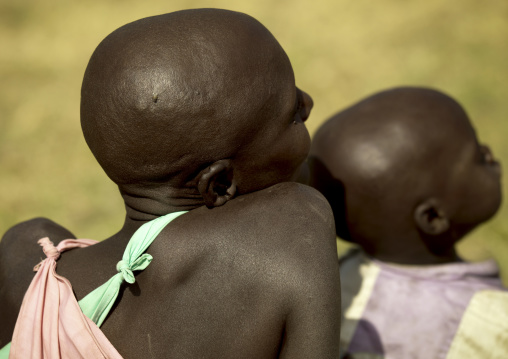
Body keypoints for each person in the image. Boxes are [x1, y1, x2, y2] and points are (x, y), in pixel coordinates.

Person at [0, 9, 341, 358]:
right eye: (293, 115)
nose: (309, 103)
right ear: (220, 184)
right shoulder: (297, 228)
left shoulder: (21, 261)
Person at [307, 87, 507, 358]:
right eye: (477, 157)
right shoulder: (492, 324)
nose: (488, 151)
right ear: (433, 218)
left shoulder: (338, 280)